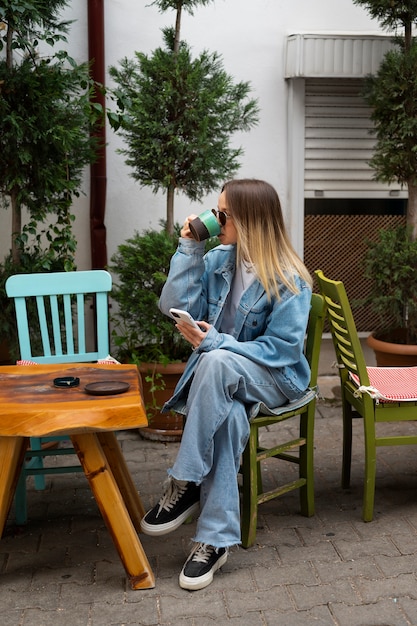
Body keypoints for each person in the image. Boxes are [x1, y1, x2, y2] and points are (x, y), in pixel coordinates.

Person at [140, 178, 313, 590]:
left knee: (216, 360)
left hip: (274, 377)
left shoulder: (289, 278)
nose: (216, 221)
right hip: (225, 384)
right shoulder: (219, 260)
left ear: (250, 220)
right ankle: (213, 541)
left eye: (224, 215)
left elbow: (283, 349)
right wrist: (189, 247)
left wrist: (215, 342)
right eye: (215, 213)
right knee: (230, 416)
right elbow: (173, 307)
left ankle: (185, 482)